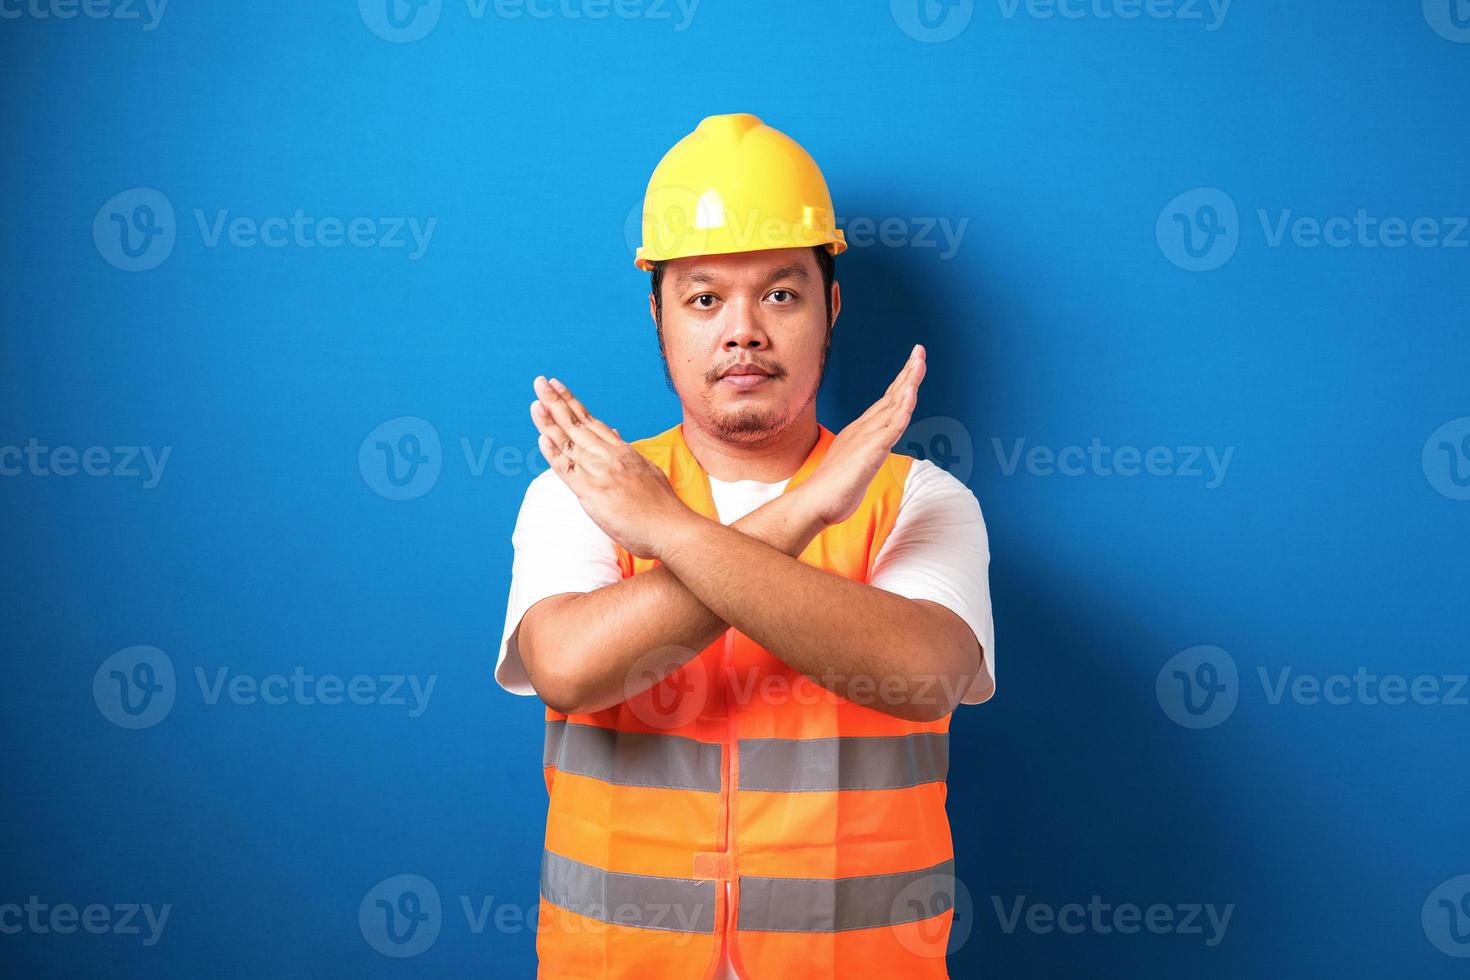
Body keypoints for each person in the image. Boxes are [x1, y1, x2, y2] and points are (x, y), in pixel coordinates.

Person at [495, 113, 995, 979]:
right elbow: (569, 667)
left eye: (780, 293)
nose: (743, 332)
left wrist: (668, 532)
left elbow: (924, 678)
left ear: (829, 306)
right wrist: (801, 514)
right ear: (657, 312)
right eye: (702, 298)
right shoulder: (583, 490)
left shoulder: (917, 497)